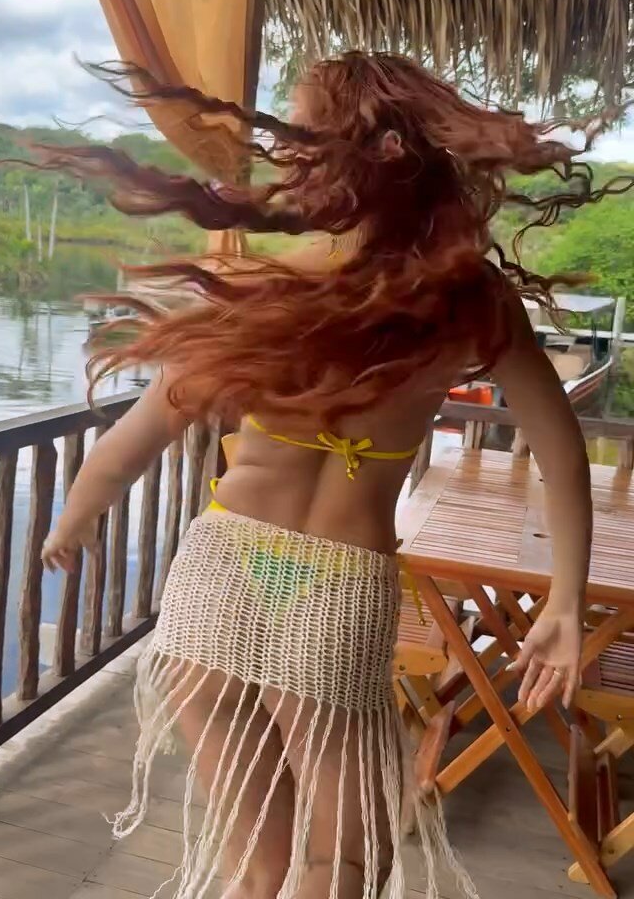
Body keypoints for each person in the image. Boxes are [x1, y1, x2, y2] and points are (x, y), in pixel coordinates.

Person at [36, 52, 615, 899]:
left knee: (255, 863)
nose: (287, 147)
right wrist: (563, 603)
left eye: (301, 131)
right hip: (332, 591)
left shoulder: (262, 284)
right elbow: (561, 454)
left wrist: (75, 519)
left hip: (218, 575)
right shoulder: (468, 300)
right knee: (345, 861)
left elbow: (135, 438)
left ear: (358, 150)